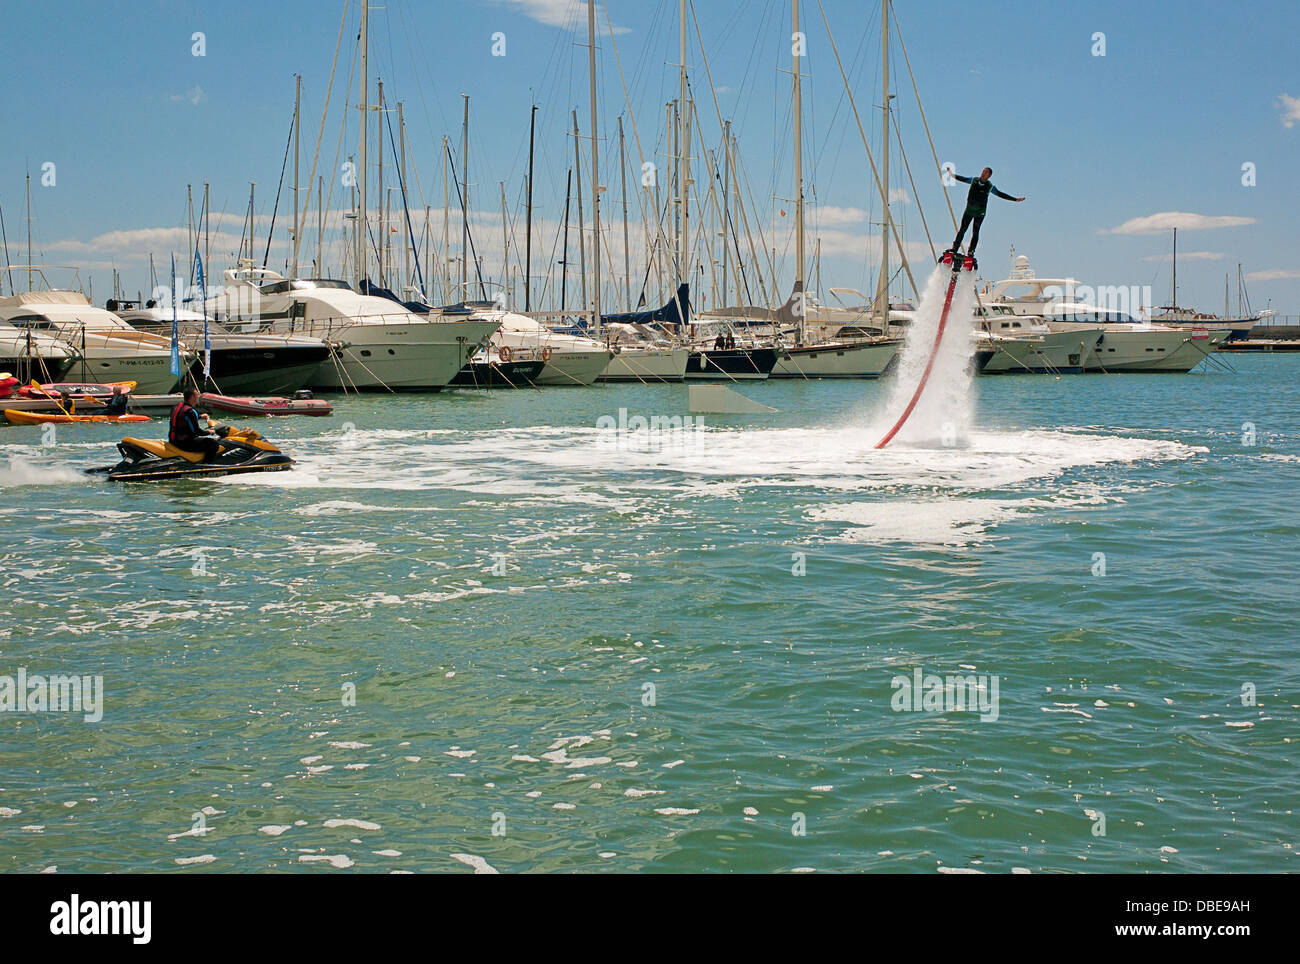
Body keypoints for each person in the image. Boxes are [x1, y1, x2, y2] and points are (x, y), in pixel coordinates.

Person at [949, 166, 1025, 257]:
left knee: (975, 232)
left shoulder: (990, 187)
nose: (983, 173)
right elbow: (963, 179)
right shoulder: (974, 180)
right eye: (983, 171)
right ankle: (955, 248)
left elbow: (1000, 194)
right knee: (962, 229)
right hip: (969, 210)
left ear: (989, 176)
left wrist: (1015, 199)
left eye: (985, 172)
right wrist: (952, 175)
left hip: (980, 212)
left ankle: (971, 251)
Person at [169, 387, 222, 460]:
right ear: (192, 397)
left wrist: (199, 416)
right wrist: (210, 432)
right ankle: (206, 466)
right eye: (197, 395)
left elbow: (182, 418)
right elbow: (197, 431)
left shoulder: (176, 407)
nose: (198, 397)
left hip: (173, 440)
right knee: (213, 444)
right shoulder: (190, 411)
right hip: (183, 443)